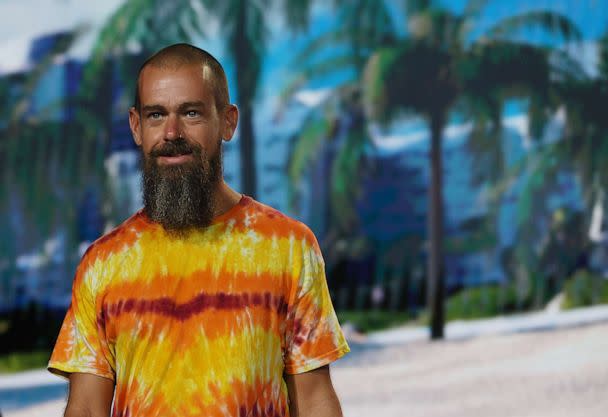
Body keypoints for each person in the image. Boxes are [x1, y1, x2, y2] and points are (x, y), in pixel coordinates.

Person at [48, 43, 349, 417]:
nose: (172, 132)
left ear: (227, 121)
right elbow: (87, 410)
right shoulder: (103, 263)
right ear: (136, 126)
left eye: (191, 113)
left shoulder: (287, 246)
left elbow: (315, 399)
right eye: (156, 115)